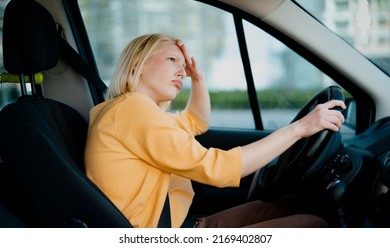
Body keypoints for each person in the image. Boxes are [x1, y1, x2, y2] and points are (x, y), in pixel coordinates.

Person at [84, 33, 346, 228]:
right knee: (313, 226)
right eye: (172, 59)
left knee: (294, 205)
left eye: (183, 66)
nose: (182, 71)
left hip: (183, 227)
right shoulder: (132, 109)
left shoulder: (136, 113)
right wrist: (300, 129)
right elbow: (217, 169)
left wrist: (199, 78)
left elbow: (196, 122)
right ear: (136, 66)